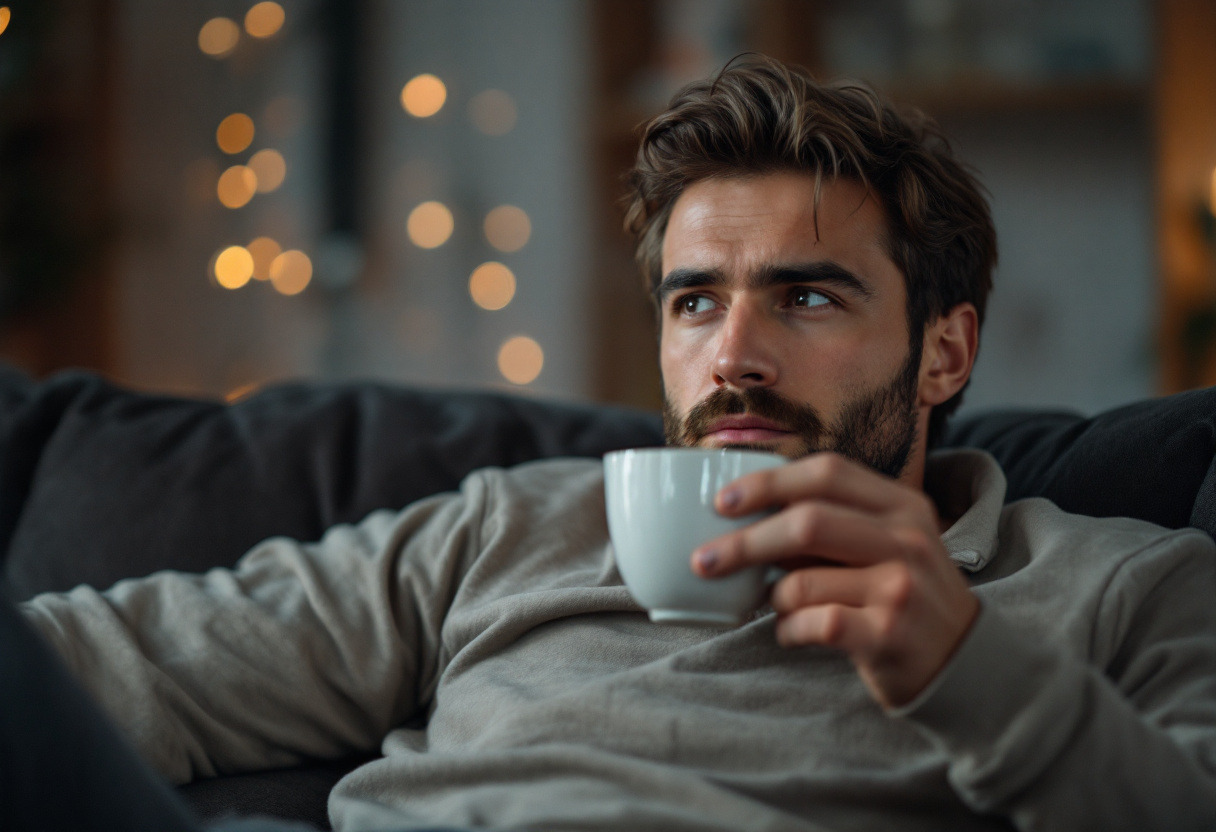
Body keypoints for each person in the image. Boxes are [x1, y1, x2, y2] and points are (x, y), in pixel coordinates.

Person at [6, 54, 1216, 832]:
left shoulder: (1122, 587)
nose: (732, 353)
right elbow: (112, 668)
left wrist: (970, 667)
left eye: (804, 298)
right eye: (695, 301)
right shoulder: (507, 529)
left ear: (943, 353)